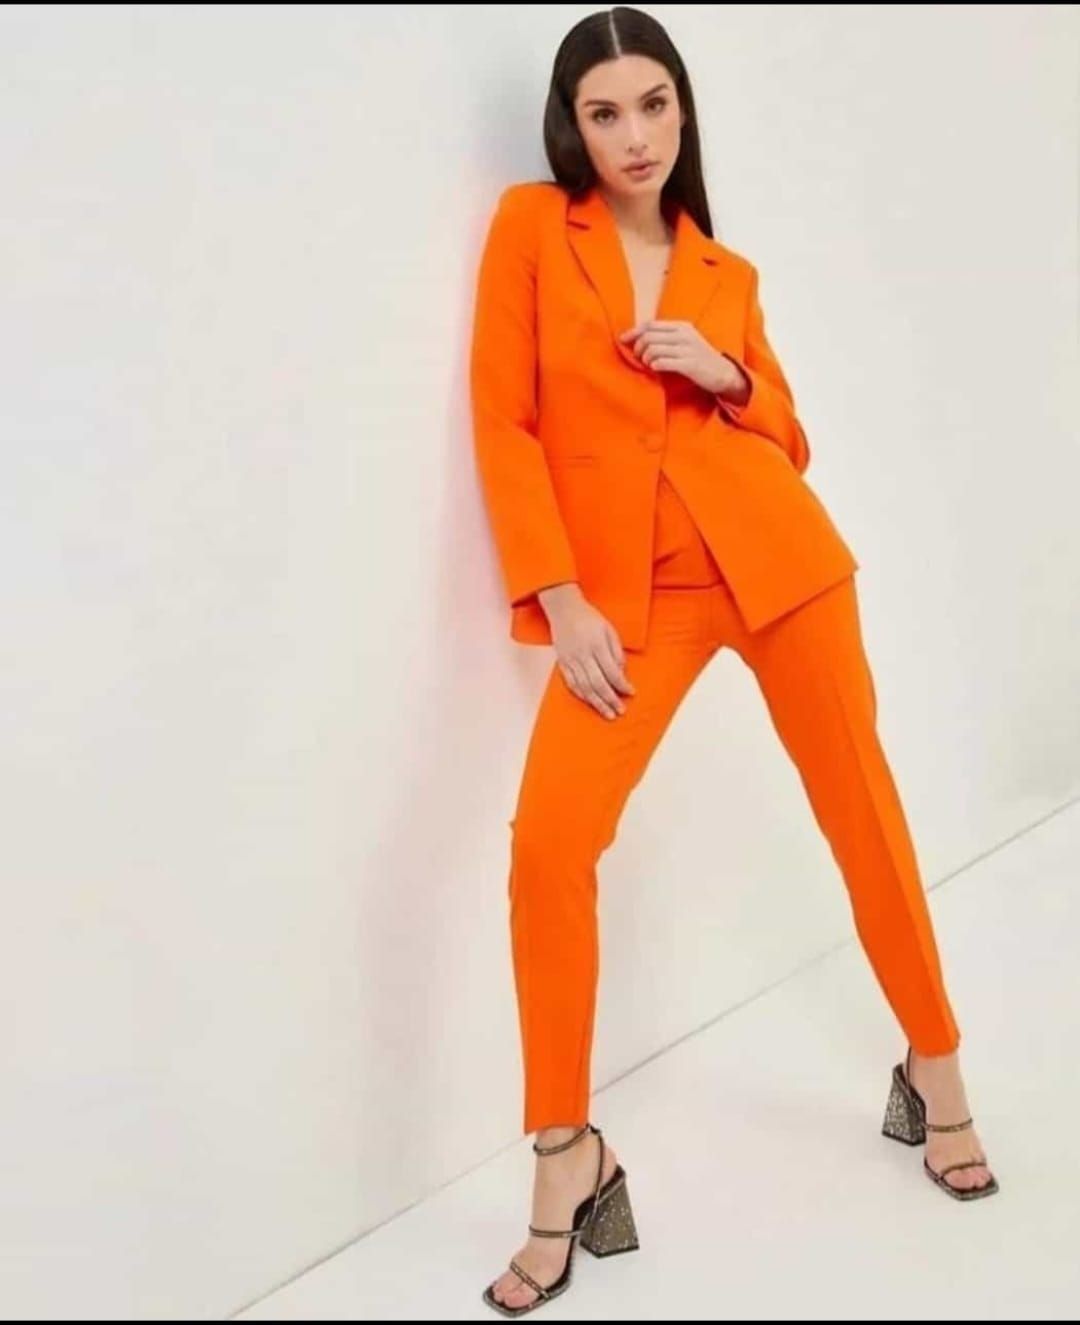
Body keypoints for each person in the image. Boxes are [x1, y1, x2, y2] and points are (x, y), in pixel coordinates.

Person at [469, 7, 999, 1316]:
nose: (634, 135)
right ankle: (565, 1154)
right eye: (604, 112)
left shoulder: (726, 271)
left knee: (862, 811)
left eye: (654, 105)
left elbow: (790, 437)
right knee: (549, 847)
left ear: (683, 111)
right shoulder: (532, 230)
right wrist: (560, 595)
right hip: (627, 605)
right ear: (571, 126)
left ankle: (935, 1069)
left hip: (781, 570)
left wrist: (727, 373)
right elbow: (503, 416)